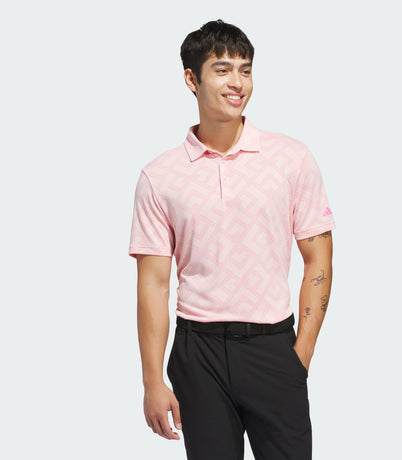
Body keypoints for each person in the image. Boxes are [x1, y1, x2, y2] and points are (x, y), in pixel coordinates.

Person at [128, 19, 336, 460]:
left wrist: (300, 355)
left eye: (245, 70)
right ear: (192, 79)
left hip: (273, 347)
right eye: (222, 70)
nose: (237, 82)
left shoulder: (291, 159)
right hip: (197, 352)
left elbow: (318, 258)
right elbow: (153, 284)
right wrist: (152, 381)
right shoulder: (160, 176)